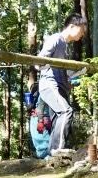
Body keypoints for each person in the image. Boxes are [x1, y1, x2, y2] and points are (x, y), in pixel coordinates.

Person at [37, 13, 89, 154]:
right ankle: (57, 149)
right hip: (50, 84)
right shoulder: (56, 39)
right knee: (66, 111)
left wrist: (79, 71)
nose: (83, 34)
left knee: (58, 120)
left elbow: (64, 72)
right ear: (72, 26)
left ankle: (52, 153)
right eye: (82, 30)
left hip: (60, 87)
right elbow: (39, 61)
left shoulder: (65, 46)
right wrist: (42, 64)